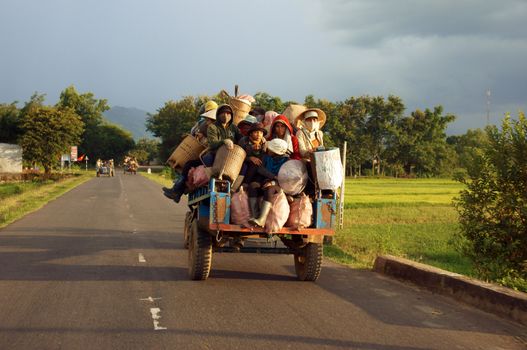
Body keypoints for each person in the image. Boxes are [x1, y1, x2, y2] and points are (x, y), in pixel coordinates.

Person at [248, 138, 290, 227]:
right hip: (265, 181)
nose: (268, 149)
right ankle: (255, 216)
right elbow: (260, 169)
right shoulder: (266, 157)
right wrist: (273, 177)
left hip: (279, 186)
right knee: (253, 186)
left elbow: (285, 179)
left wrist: (274, 182)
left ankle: (262, 219)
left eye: (271, 149)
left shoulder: (287, 162)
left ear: (275, 152)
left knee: (269, 189)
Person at [237, 122, 267, 193]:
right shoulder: (244, 141)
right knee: (253, 164)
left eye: (261, 132)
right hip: (243, 163)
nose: (259, 135)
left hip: (258, 165)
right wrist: (250, 158)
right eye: (256, 132)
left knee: (260, 164)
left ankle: (257, 183)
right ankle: (245, 184)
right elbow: (238, 155)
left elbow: (264, 156)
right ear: (251, 133)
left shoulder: (264, 142)